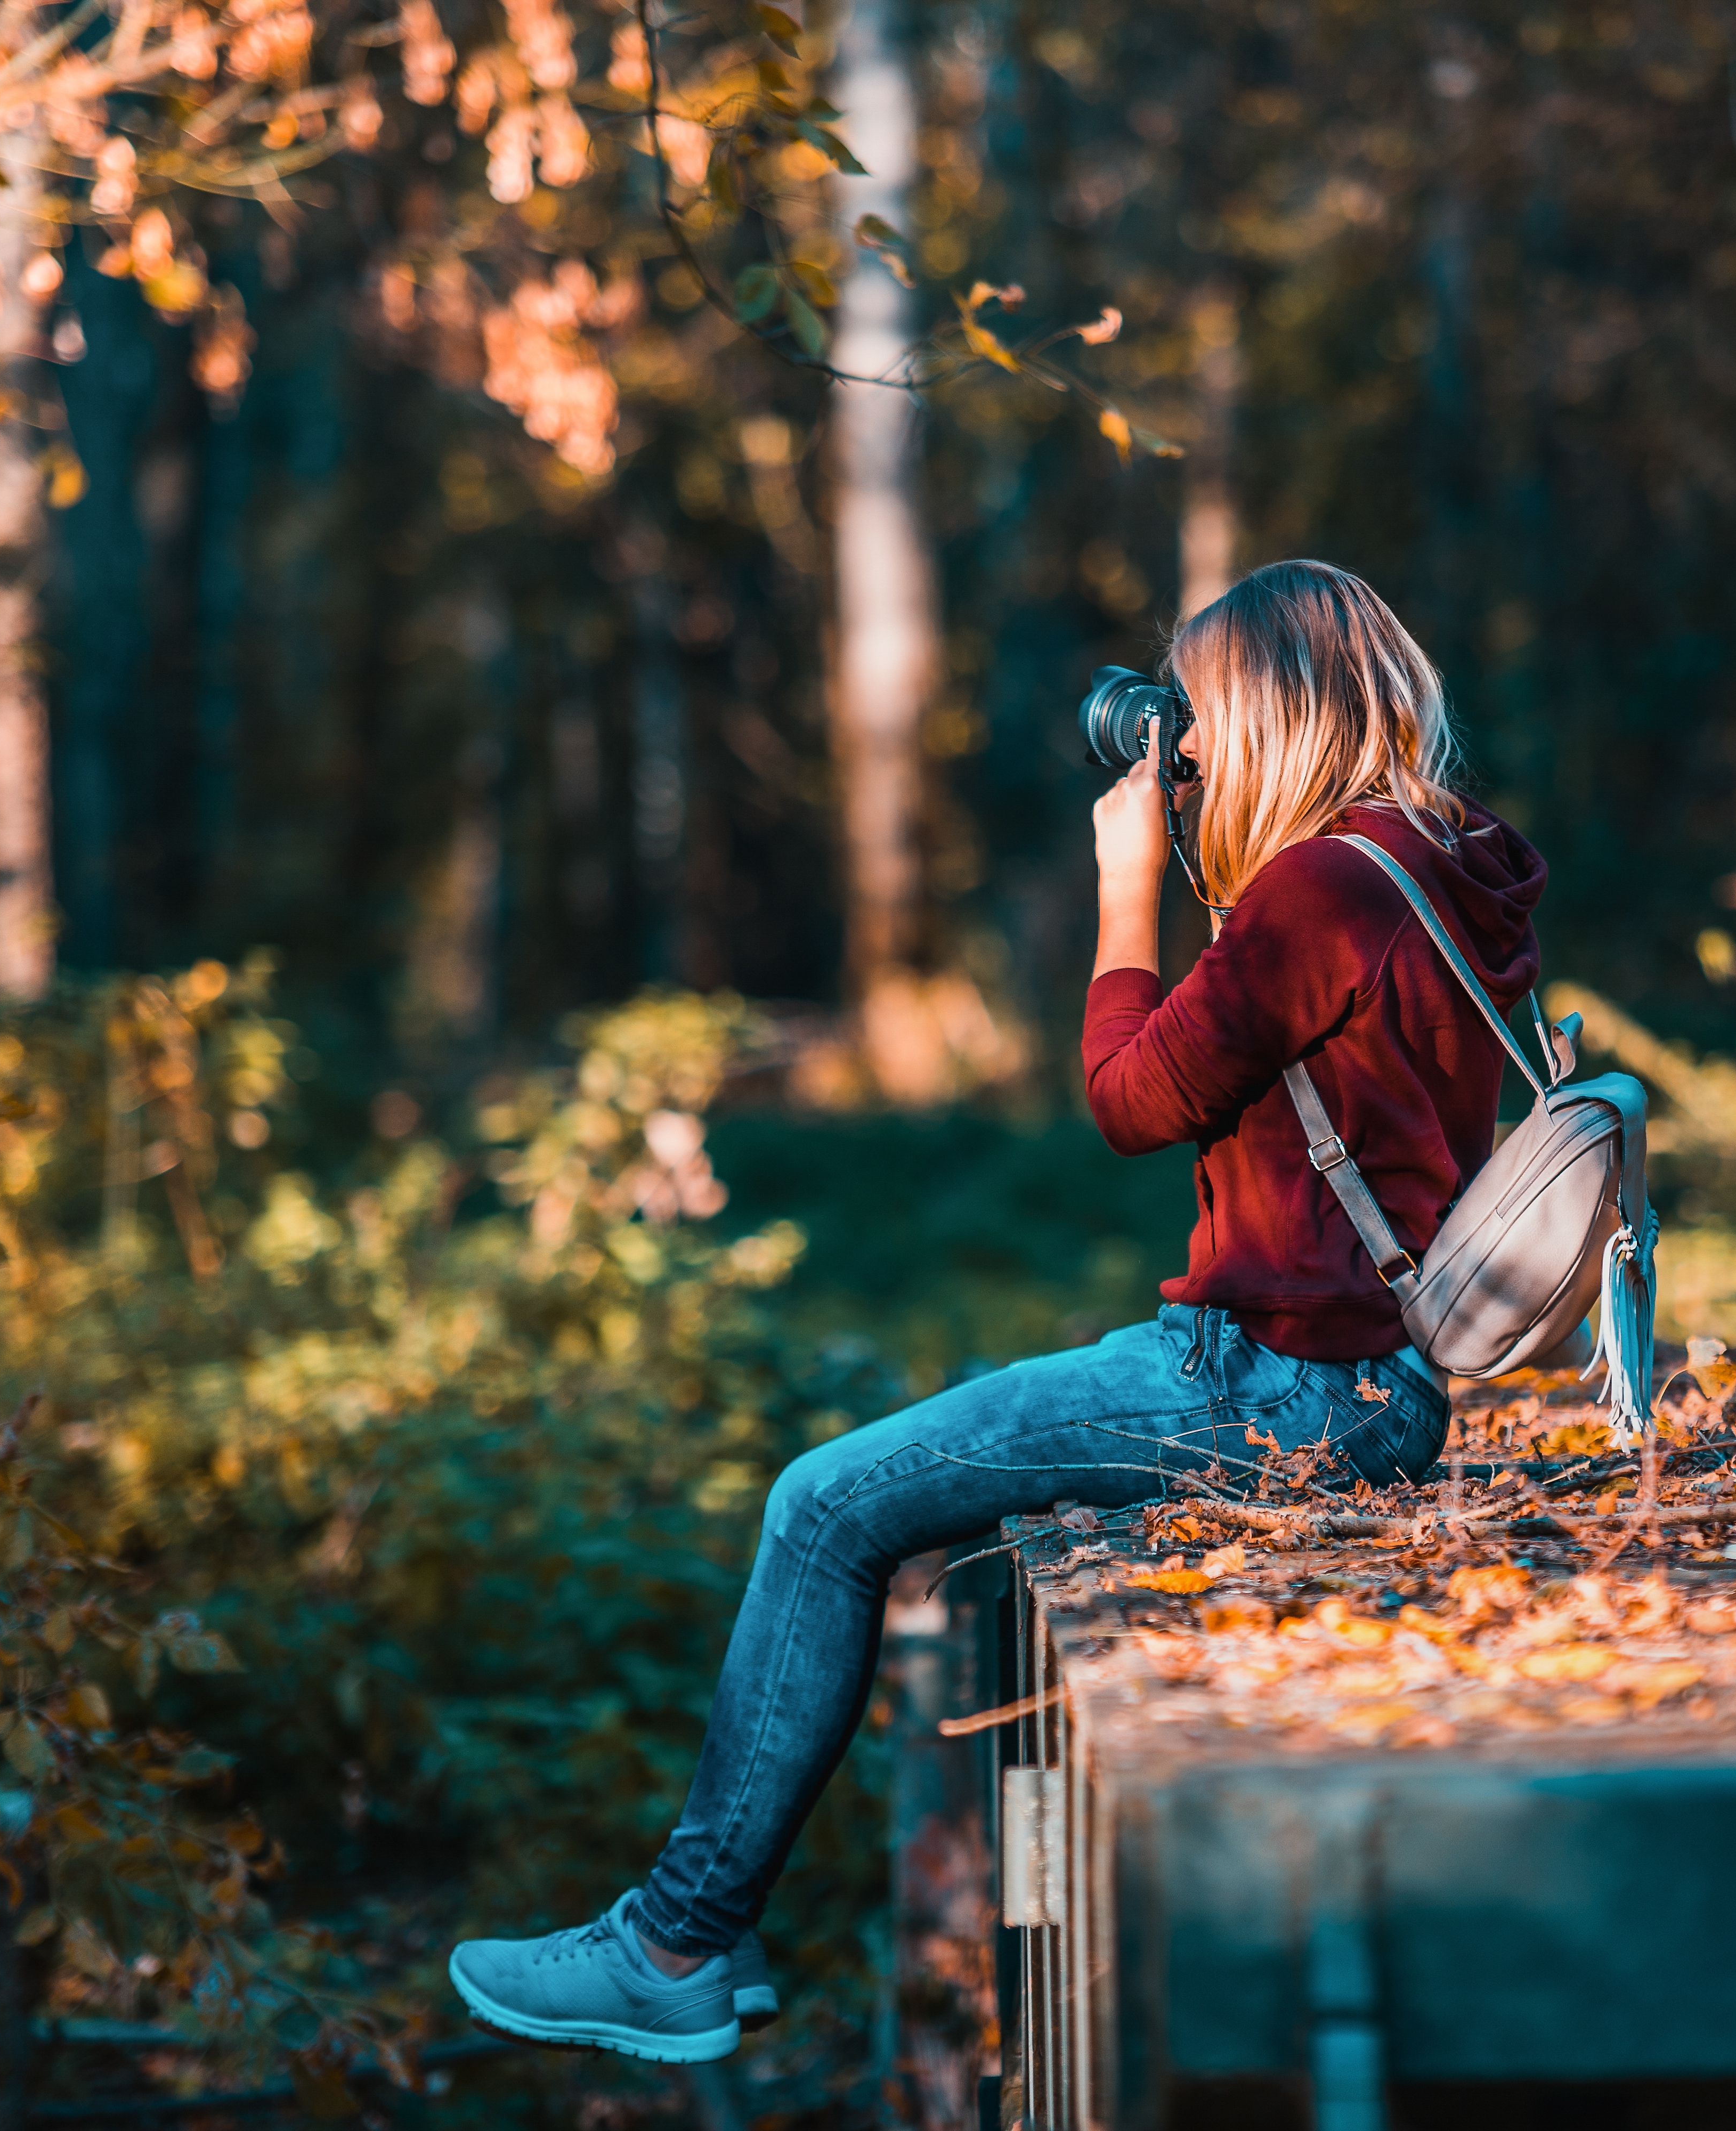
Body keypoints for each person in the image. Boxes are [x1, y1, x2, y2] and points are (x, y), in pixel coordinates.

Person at [447, 559, 1548, 2061]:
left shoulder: (1320, 890)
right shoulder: (1453, 859)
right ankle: (683, 1940)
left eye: (1207, 718)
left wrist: (1122, 889)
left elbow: (1130, 1100)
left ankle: (677, 1945)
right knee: (897, 1481)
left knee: (825, 1506)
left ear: (1276, 712)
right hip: (1383, 1386)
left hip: (1271, 1388)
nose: (1193, 752)